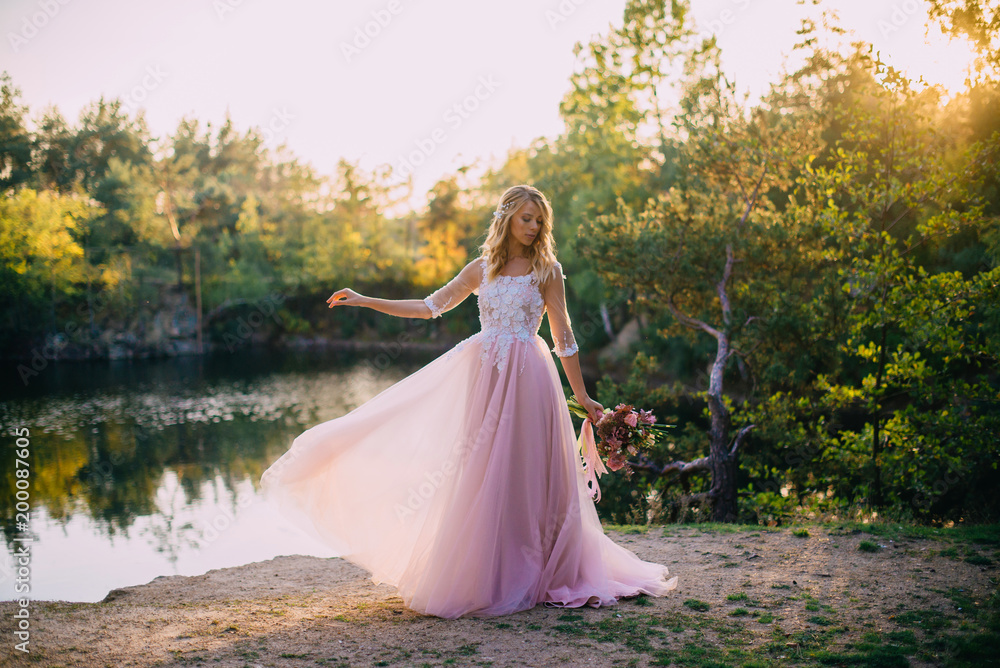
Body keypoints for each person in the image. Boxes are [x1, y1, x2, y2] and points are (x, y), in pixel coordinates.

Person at [259, 184, 679, 619]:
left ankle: (543, 568)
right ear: (507, 219)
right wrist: (365, 300)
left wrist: (583, 396)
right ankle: (493, 571)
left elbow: (564, 338)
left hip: (529, 378)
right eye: (526, 219)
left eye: (539, 220)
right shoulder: (481, 270)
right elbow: (427, 307)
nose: (534, 227)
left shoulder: (548, 271)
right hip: (484, 376)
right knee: (482, 470)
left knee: (528, 467)